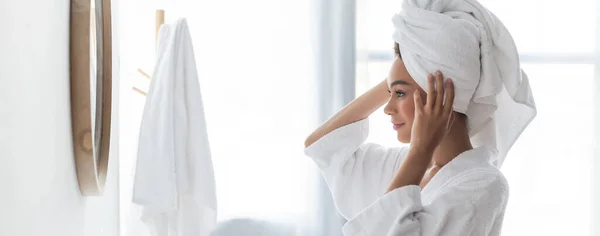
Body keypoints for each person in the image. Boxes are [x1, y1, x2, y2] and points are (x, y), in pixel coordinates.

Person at [303, 0, 537, 235]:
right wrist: (400, 72)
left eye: (400, 94)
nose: (387, 108)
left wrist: (421, 150)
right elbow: (323, 144)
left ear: (442, 96)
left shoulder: (483, 185)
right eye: (390, 93)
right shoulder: (409, 165)